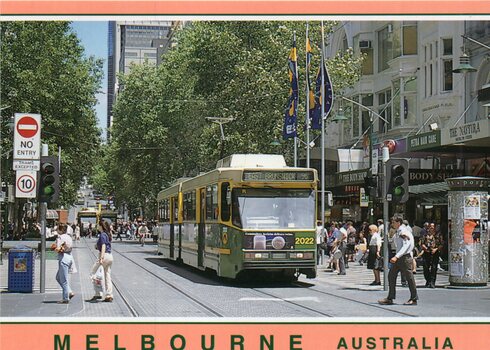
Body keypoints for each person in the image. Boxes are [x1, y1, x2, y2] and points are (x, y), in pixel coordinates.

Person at [378, 216, 418, 306]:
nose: (392, 224)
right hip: (399, 257)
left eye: (393, 222)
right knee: (391, 276)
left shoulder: (403, 231)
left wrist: (396, 256)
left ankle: (414, 298)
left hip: (404, 258)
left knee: (409, 278)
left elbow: (406, 245)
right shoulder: (398, 231)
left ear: (398, 222)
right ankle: (390, 298)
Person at [89, 220, 114, 302]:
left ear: (101, 226)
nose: (97, 227)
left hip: (104, 256)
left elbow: (103, 245)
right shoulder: (107, 234)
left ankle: (98, 293)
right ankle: (109, 295)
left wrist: (101, 258)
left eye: (98, 225)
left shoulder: (102, 234)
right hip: (110, 256)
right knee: (107, 276)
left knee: (93, 273)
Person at [54, 223, 74, 304]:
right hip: (69, 257)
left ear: (61, 230)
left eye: (58, 229)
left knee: (63, 280)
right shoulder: (69, 237)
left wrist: (55, 248)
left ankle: (66, 298)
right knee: (58, 277)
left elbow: (58, 248)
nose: (57, 230)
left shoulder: (60, 237)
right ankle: (69, 291)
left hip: (63, 258)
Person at [419, 222, 444, 288]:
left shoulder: (438, 235)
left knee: (434, 267)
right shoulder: (425, 235)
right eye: (430, 227)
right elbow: (421, 242)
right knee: (426, 267)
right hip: (426, 252)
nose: (431, 229)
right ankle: (428, 280)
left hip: (435, 252)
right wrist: (424, 247)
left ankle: (432, 282)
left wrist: (436, 249)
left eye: (433, 227)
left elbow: (441, 244)